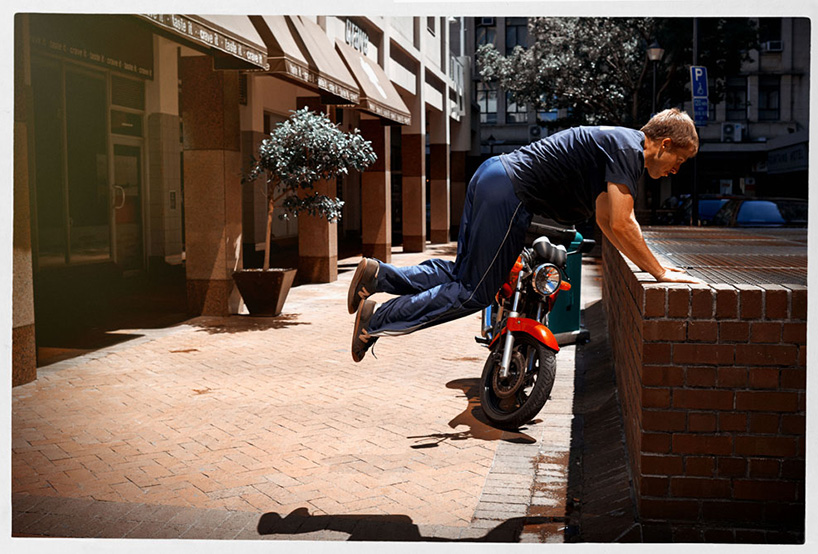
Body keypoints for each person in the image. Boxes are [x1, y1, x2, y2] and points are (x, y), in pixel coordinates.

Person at [348, 108, 701, 362]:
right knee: (475, 292)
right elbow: (625, 224)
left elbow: (608, 223)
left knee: (463, 275)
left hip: (493, 175)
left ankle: (378, 275)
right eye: (679, 161)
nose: (675, 170)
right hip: (512, 193)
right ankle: (376, 321)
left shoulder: (616, 144)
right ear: (665, 144)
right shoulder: (628, 151)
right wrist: (658, 271)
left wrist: (643, 261)